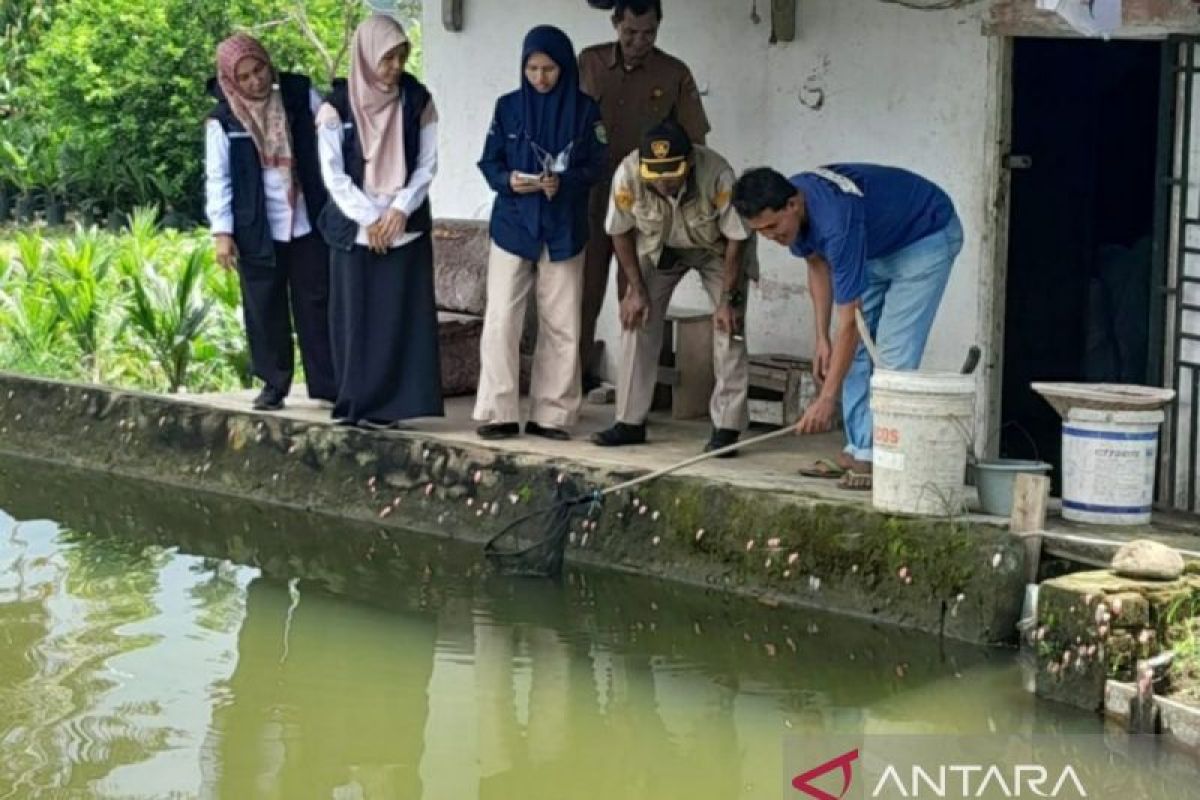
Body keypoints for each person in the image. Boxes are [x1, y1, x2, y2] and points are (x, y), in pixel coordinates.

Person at [731, 165, 963, 489]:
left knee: (892, 356)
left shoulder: (837, 223)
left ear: (793, 206)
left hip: (924, 236)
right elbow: (815, 263)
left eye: (773, 226)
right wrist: (821, 338)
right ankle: (860, 450)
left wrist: (827, 398)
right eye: (762, 232)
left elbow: (851, 324)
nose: (772, 237)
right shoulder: (793, 211)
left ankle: (883, 456)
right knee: (852, 355)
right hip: (875, 246)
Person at [474, 26, 608, 441]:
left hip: (565, 226)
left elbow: (599, 165)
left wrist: (564, 183)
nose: (540, 77)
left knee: (562, 322)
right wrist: (508, 180)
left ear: (564, 67)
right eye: (532, 68)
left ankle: (551, 415)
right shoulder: (508, 107)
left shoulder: (586, 112)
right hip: (514, 223)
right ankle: (499, 411)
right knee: (501, 319)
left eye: (548, 68)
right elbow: (489, 161)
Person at [591, 122, 755, 455]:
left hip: (718, 252)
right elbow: (619, 231)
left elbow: (737, 238)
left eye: (672, 174)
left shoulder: (718, 174)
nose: (664, 182)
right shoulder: (628, 174)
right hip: (660, 248)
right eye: (656, 175)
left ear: (690, 163)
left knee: (729, 329)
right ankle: (629, 422)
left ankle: (727, 428)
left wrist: (727, 299)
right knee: (637, 322)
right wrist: (635, 289)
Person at [315, 14, 443, 430]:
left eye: (401, 57)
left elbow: (426, 164)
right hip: (355, 227)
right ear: (367, 56)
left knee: (398, 316)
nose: (394, 68)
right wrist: (370, 217)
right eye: (386, 58)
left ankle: (395, 406)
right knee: (357, 318)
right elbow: (333, 174)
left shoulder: (417, 100)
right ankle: (357, 404)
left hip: (403, 223)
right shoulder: (336, 106)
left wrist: (398, 210)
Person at [578, 0, 711, 391]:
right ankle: (574, 380)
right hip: (590, 194)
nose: (639, 42)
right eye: (630, 32)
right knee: (581, 293)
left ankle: (634, 394)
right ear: (615, 23)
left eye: (649, 33)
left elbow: (695, 143)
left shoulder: (674, 73)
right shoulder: (589, 63)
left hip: (646, 199)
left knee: (637, 296)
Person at [205, 33, 336, 412]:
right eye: (243, 77)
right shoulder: (223, 120)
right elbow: (219, 179)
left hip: (307, 220)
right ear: (231, 80)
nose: (255, 82)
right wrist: (222, 234)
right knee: (264, 307)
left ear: (268, 64)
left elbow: (329, 138)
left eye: (258, 70)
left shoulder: (298, 95)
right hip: (256, 227)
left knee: (316, 302)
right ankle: (274, 383)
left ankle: (328, 384)